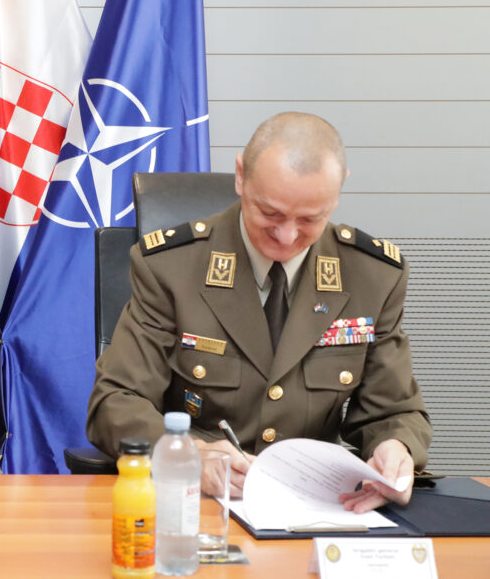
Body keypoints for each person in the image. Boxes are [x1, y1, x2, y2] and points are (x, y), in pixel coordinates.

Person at [87, 112, 432, 513]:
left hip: (316, 506)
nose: (287, 236)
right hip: (198, 503)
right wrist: (188, 456)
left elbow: (393, 410)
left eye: (310, 219)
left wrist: (395, 447)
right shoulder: (171, 268)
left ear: (338, 193)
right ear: (241, 176)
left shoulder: (371, 276)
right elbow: (114, 402)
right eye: (270, 213)